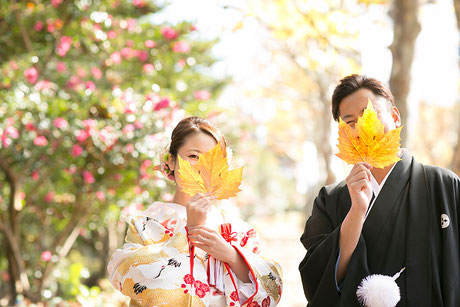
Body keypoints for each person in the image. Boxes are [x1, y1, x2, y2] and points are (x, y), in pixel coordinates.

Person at [299, 74, 460, 306]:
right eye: (350, 122)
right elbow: (319, 282)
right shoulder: (331, 200)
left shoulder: (441, 185)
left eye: (369, 115)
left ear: (394, 116)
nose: (361, 128)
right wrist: (356, 212)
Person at [108, 117, 282, 307]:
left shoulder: (237, 230)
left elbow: (272, 287)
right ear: (172, 161)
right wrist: (189, 232)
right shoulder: (146, 225)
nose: (202, 167)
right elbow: (128, 275)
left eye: (213, 160)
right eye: (193, 156)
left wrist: (232, 256)